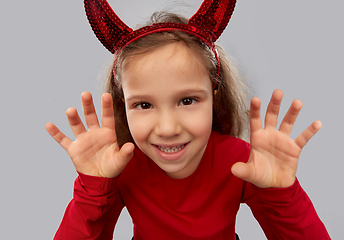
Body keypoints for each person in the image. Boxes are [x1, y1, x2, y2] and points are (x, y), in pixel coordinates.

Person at [46, 0, 331, 239]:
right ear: (124, 107)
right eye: (144, 104)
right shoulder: (120, 167)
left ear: (214, 95)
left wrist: (281, 194)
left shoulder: (242, 161)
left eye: (187, 101)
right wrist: (92, 190)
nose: (168, 129)